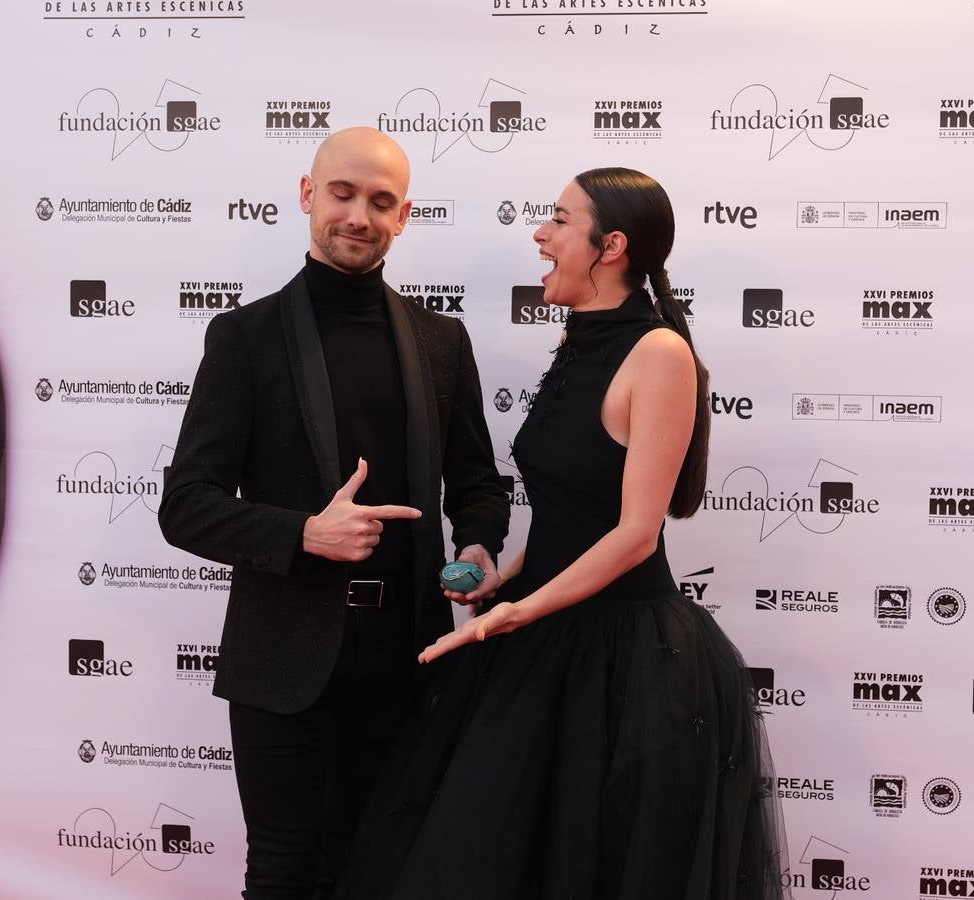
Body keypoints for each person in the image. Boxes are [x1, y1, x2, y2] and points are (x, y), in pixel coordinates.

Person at [334, 168, 789, 900]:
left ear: (610, 246)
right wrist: (505, 579)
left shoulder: (658, 354)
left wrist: (517, 612)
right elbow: (575, 516)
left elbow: (637, 533)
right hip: (543, 636)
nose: (540, 236)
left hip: (624, 664)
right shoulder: (580, 343)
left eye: (557, 221)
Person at [158, 127, 510, 900]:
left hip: (407, 658)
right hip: (282, 659)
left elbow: (479, 480)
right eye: (343, 194)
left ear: (404, 215)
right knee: (285, 874)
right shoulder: (245, 338)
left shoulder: (441, 341)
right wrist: (303, 533)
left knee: (384, 869)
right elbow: (185, 507)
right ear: (308, 194)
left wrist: (480, 544)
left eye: (380, 202)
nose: (359, 215)